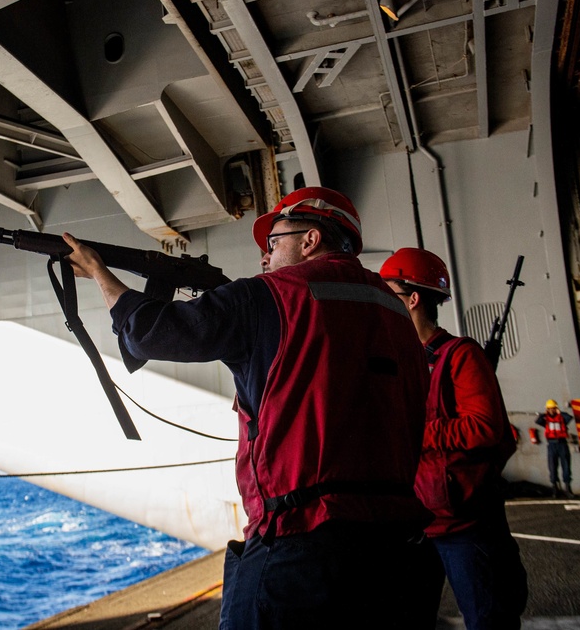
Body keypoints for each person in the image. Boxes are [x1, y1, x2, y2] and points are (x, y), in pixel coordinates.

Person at [63, 187, 433, 629]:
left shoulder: (271, 295)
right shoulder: (395, 311)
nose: (264, 256)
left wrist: (98, 272)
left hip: (301, 546)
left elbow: (149, 332)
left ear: (310, 240)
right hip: (397, 548)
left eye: (273, 242)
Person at [380, 247, 528, 630]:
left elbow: (485, 427)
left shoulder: (460, 356)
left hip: (464, 524)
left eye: (387, 293)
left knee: (488, 619)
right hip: (413, 521)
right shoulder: (396, 361)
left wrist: (415, 432)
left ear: (412, 299)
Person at [536, 399, 575, 497]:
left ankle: (568, 489)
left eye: (553, 408)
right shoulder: (546, 420)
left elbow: (569, 418)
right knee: (552, 467)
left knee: (566, 466)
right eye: (549, 409)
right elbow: (538, 421)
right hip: (552, 445)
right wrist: (543, 414)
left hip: (562, 444)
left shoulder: (562, 418)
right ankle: (555, 490)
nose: (551, 411)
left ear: (556, 408)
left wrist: (560, 412)